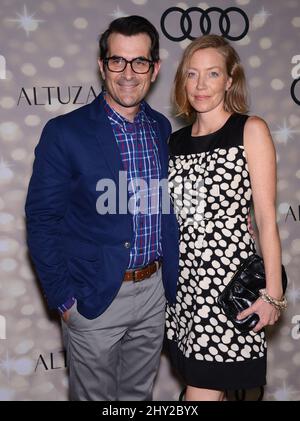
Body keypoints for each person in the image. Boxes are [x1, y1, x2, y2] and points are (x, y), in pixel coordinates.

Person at [25, 15, 179, 401]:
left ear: (155, 68)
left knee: (136, 398)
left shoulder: (162, 129)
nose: (128, 73)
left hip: (154, 293)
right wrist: (64, 298)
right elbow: (43, 219)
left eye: (139, 61)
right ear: (102, 65)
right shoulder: (65, 132)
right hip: (94, 296)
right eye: (117, 61)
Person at [165, 34, 286, 401]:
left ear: (230, 80)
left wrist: (274, 295)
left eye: (213, 74)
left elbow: (266, 219)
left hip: (227, 289)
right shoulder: (175, 142)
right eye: (192, 74)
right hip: (183, 292)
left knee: (200, 393)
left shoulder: (250, 130)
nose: (201, 85)